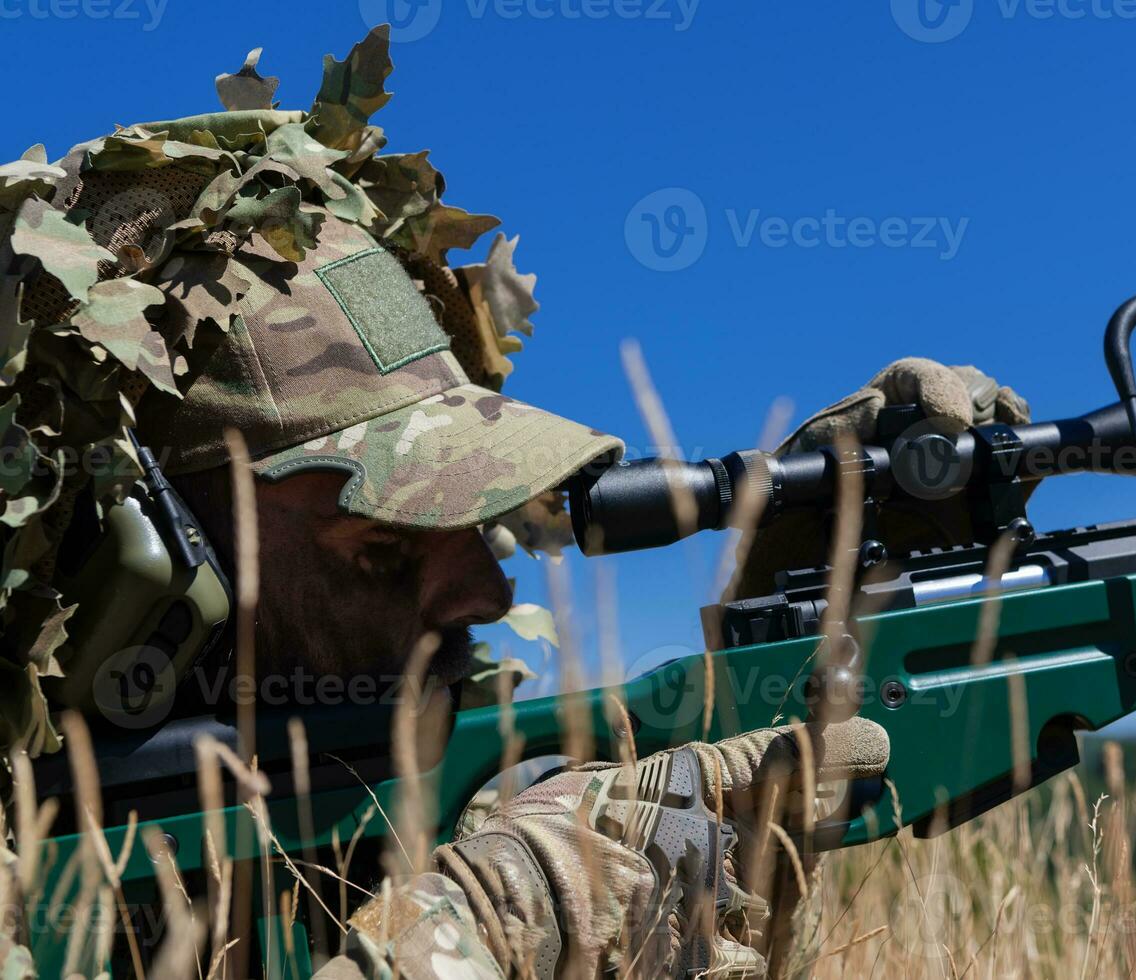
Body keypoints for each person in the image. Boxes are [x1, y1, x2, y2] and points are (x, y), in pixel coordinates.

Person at [0, 28, 1029, 979]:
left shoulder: (367, 777)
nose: (488, 590)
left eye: (475, 520)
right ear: (139, 575)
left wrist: (785, 605)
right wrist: (499, 916)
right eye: (388, 546)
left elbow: (664, 821)